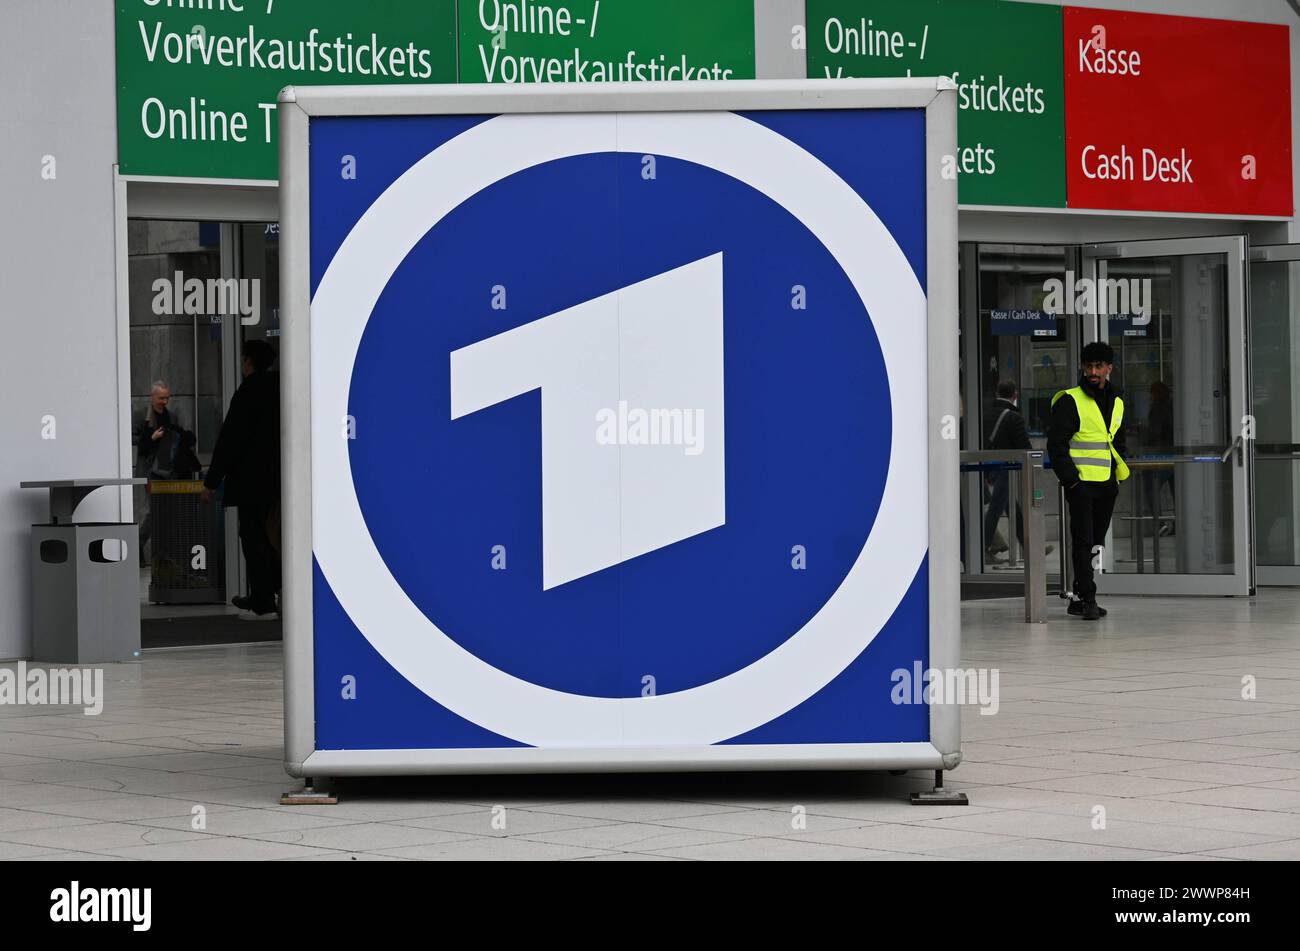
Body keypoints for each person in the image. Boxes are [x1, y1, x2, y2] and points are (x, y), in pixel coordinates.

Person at [1048, 341, 1129, 621]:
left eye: (1098, 366)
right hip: (1081, 485)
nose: (1093, 371)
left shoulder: (1117, 399)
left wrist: (1119, 472)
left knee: (1095, 543)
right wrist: (1072, 482)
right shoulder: (1070, 400)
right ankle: (1088, 598)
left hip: (1107, 484)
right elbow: (1056, 446)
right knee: (1083, 542)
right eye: (1088, 366)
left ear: (1109, 368)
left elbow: (1117, 439)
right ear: (1082, 366)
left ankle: (1079, 595)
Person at [201, 340, 281, 617]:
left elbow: (230, 440)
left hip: (252, 482)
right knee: (278, 536)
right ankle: (282, 590)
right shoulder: (283, 387)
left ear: (248, 362)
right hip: (282, 480)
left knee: (253, 536)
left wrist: (211, 482)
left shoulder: (248, 392)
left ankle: (263, 597)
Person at [132, 381, 183, 561]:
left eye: (167, 398)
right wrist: (151, 438)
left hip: (167, 469)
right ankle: (139, 542)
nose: (164, 402)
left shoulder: (172, 417)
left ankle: (159, 550)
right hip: (150, 470)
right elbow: (132, 437)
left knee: (166, 511)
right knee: (155, 511)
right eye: (161, 398)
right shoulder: (143, 416)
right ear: (152, 396)